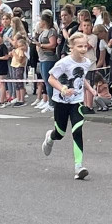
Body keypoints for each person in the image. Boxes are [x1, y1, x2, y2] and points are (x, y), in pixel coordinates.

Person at [41, 32, 92, 179]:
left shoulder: (86, 62)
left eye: (85, 46)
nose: (83, 49)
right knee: (60, 133)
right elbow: (51, 79)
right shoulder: (64, 63)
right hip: (61, 101)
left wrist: (90, 89)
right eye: (79, 46)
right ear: (71, 47)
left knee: (77, 130)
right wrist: (63, 89)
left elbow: (82, 78)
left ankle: (78, 166)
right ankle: (50, 137)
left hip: (77, 101)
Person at [33, 11, 59, 113]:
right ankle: (49, 101)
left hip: (49, 58)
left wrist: (41, 45)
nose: (39, 22)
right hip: (42, 58)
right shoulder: (43, 32)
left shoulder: (51, 31)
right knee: (45, 81)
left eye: (40, 20)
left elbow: (53, 45)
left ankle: (52, 103)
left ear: (44, 21)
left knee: (49, 82)